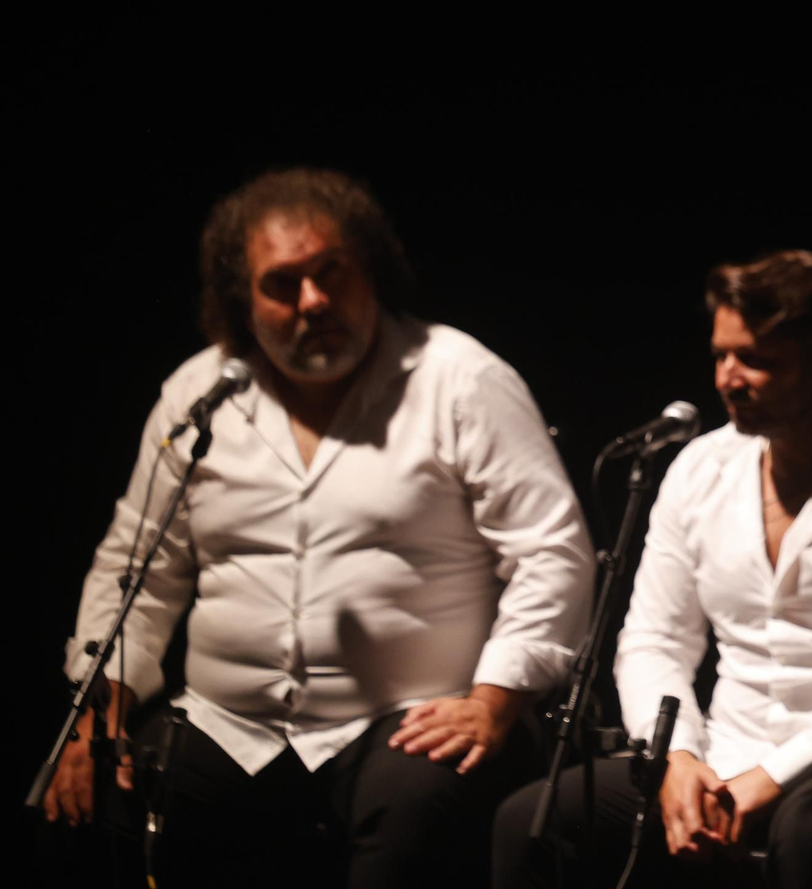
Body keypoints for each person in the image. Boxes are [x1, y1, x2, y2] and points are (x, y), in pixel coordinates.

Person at [42, 168, 595, 888]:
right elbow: (137, 568)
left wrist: (494, 702)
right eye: (283, 285)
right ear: (241, 301)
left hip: (407, 719)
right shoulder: (201, 394)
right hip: (227, 722)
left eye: (331, 272)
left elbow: (552, 552)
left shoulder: (459, 379)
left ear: (371, 269)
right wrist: (97, 713)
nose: (314, 301)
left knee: (416, 816)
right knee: (93, 800)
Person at [493, 249, 812, 888]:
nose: (729, 379)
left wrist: (773, 775)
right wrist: (677, 759)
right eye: (721, 356)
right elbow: (653, 639)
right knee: (531, 823)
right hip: (725, 754)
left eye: (756, 360)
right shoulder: (700, 467)